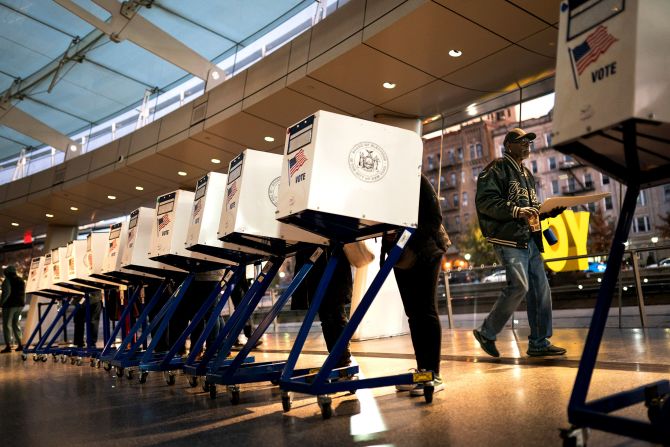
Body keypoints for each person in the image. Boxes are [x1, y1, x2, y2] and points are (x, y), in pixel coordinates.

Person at [473, 127, 566, 358]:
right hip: (507, 238)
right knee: (520, 285)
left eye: (528, 142)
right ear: (508, 145)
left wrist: (547, 212)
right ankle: (487, 332)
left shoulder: (527, 174)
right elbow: (485, 201)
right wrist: (515, 210)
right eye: (521, 141)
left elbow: (530, 210)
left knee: (541, 290)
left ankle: (539, 342)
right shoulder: (496, 168)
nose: (527, 145)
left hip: (530, 238)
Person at [382, 174, 449, 396]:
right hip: (401, 255)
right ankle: (423, 371)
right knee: (414, 313)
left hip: (425, 250)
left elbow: (434, 217)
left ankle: (433, 373)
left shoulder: (415, 176)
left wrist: (409, 244)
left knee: (425, 310)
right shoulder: (385, 181)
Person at [1, 265, 26, 353]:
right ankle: (20, 344)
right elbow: (24, 293)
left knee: (7, 325)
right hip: (19, 305)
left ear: (7, 273)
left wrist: (1, 303)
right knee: (16, 324)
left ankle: (8, 346)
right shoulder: (21, 280)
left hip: (9, 305)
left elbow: (6, 292)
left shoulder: (8, 280)